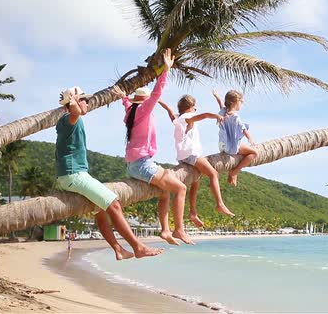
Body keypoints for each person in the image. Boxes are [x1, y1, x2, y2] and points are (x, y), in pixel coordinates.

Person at [55, 85, 162, 260]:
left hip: (71, 175)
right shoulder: (69, 119)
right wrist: (73, 102)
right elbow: (74, 112)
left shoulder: (66, 121)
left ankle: (118, 249)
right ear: (71, 104)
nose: (87, 103)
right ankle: (138, 247)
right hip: (73, 175)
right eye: (85, 100)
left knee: (101, 210)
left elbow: (75, 112)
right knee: (114, 204)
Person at [120, 48, 193, 245]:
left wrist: (123, 96)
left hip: (136, 164)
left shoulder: (131, 112)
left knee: (165, 191)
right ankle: (179, 230)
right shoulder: (143, 110)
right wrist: (165, 70)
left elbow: (126, 103)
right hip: (142, 164)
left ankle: (166, 231)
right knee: (181, 189)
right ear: (143, 102)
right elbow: (157, 92)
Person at [160, 95, 234, 228]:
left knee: (196, 182)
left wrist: (159, 100)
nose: (195, 110)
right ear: (190, 108)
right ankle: (219, 204)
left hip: (182, 156)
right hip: (191, 155)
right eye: (195, 108)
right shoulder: (188, 118)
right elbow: (204, 115)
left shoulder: (177, 119)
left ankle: (193, 213)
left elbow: (169, 110)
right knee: (213, 174)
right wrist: (216, 116)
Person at [212, 90, 258, 186]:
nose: (241, 104)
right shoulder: (235, 116)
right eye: (241, 102)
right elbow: (243, 129)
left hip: (222, 145)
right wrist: (250, 139)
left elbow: (221, 105)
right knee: (254, 153)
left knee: (239, 149)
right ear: (234, 103)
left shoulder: (223, 112)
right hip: (231, 147)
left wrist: (217, 97)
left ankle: (233, 177)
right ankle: (235, 172)